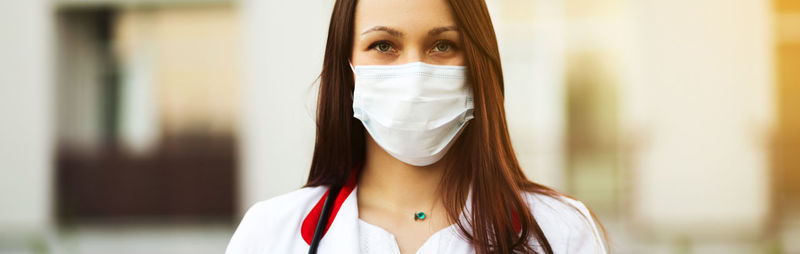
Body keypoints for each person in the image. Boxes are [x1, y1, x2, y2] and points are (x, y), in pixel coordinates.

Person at [226, 0, 607, 253]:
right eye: (383, 45)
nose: (414, 73)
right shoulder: (272, 234)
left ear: (477, 65)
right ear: (349, 69)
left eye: (442, 46)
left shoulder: (559, 232)